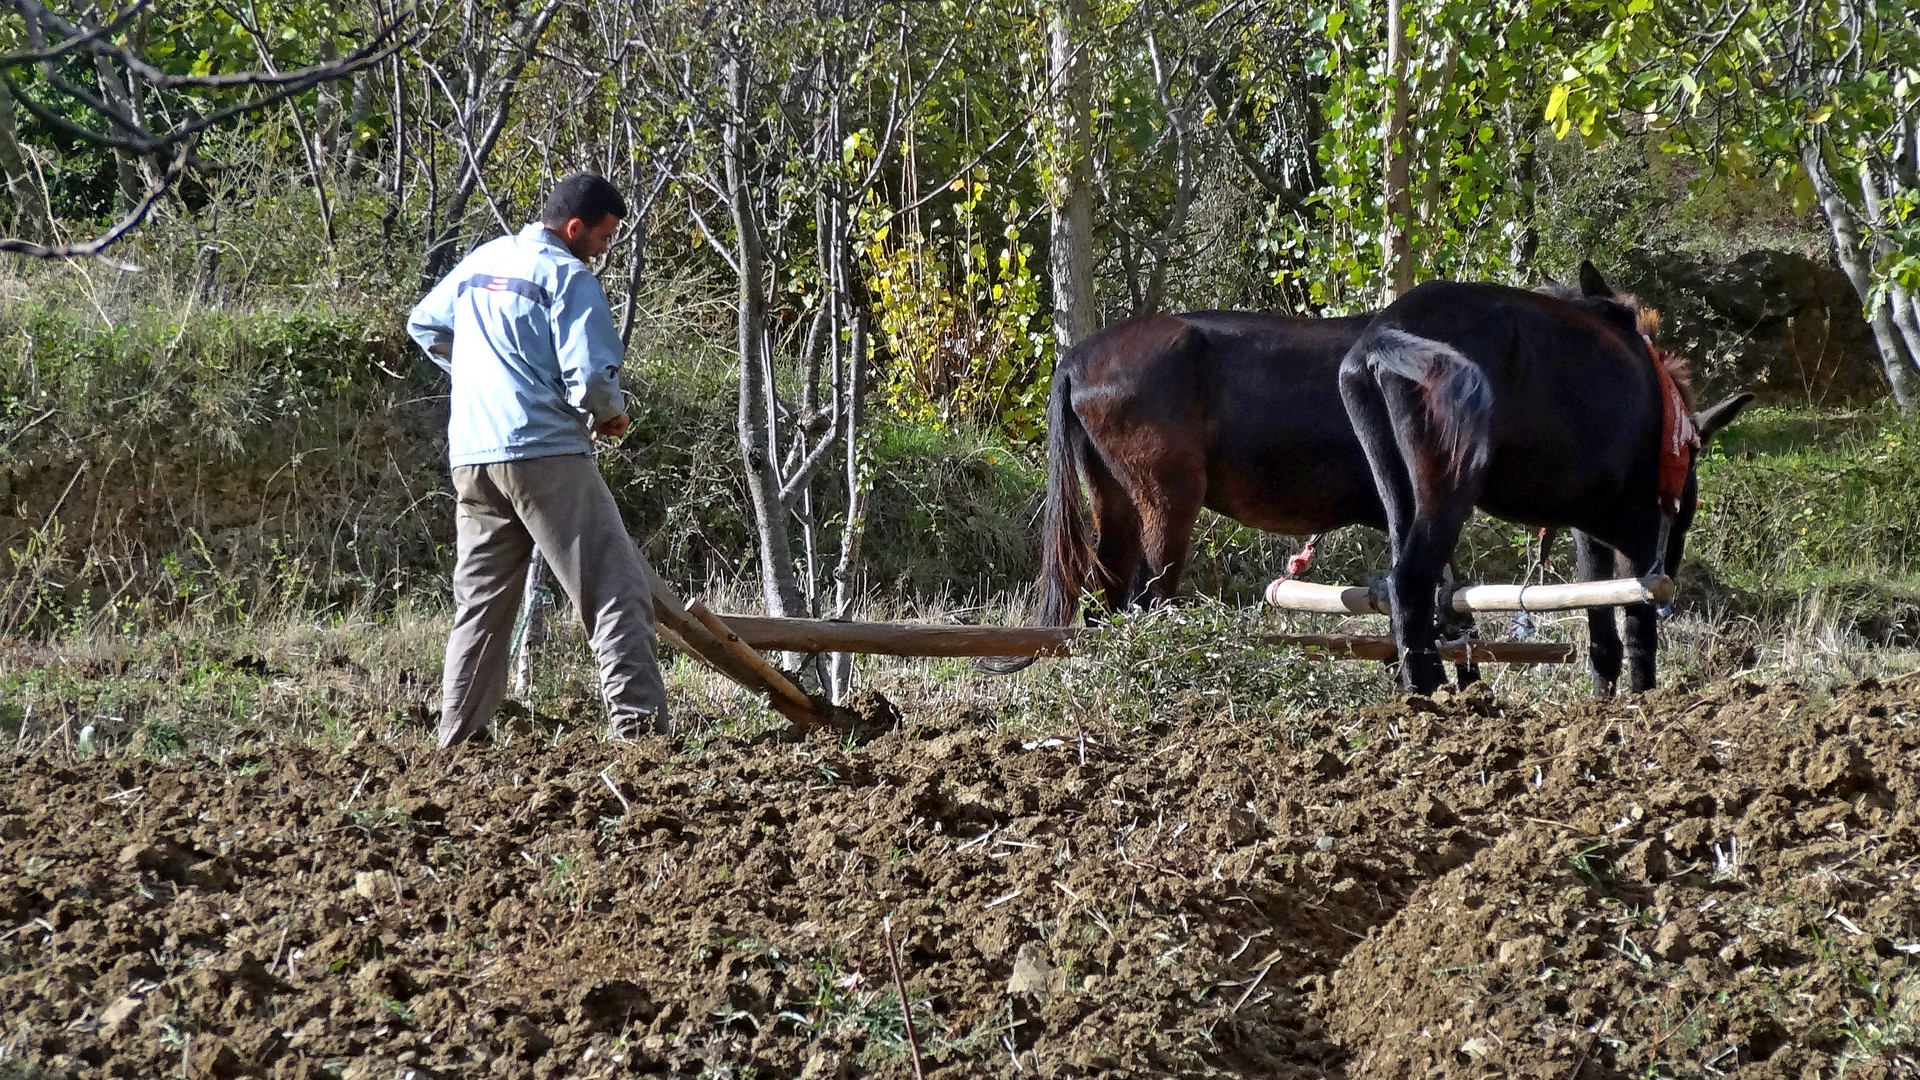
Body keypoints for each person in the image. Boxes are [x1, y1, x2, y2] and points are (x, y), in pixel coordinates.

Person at [407, 171, 669, 746]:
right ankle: (642, 740)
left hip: (472, 457)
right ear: (574, 229)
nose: (603, 251)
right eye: (602, 238)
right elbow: (592, 373)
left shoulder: (482, 261)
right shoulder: (565, 275)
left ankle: (456, 740)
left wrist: (482, 375)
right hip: (543, 453)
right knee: (616, 592)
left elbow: (424, 323)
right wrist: (607, 415)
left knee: (481, 607)